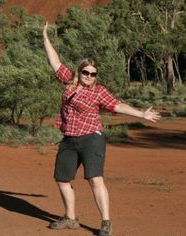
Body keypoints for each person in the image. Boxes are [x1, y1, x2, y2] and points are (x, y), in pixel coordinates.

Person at [43, 22, 161, 236]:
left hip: (91, 138)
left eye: (93, 74)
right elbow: (54, 61)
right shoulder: (69, 81)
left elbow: (117, 105)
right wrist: (45, 38)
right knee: (62, 179)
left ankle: (106, 222)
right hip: (69, 139)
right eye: (86, 72)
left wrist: (141, 113)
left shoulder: (98, 92)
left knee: (95, 179)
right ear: (79, 72)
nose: (89, 76)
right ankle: (70, 218)